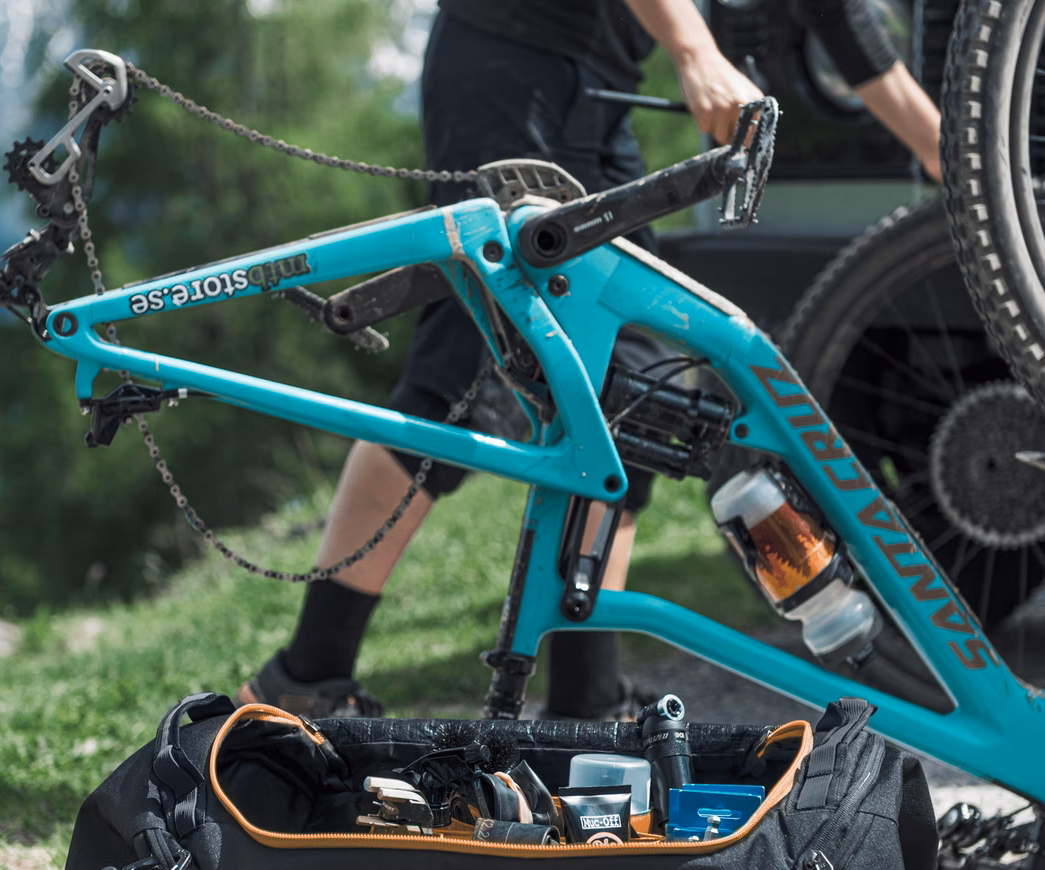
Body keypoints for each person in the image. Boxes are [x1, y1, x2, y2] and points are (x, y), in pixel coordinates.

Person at [237, 0, 942, 720]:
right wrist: (694, 51)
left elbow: (847, 31)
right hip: (507, 68)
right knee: (466, 370)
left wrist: (951, 160)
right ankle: (307, 673)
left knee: (632, 386)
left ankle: (584, 704)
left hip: (594, 100)